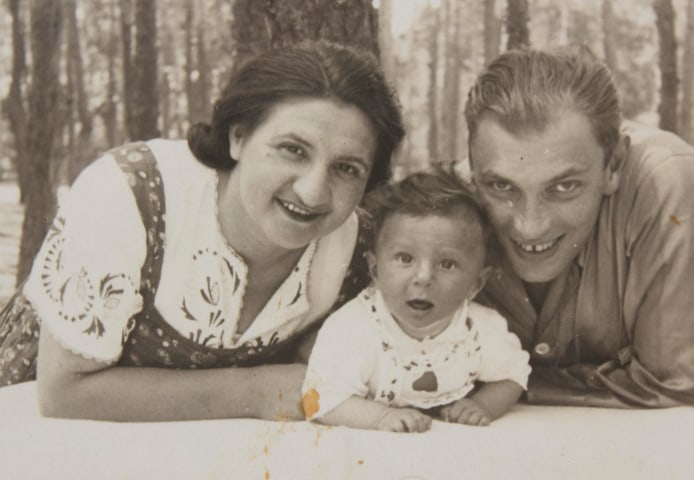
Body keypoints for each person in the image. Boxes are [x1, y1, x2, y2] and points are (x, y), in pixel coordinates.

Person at [6, 40, 404, 422]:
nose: (312, 190)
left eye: (347, 168)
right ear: (238, 137)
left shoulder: (361, 253)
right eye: (293, 150)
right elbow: (61, 393)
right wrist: (255, 391)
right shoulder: (132, 194)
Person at [464, 45, 694, 435]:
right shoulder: (451, 205)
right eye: (501, 186)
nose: (529, 226)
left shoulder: (667, 183)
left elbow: (687, 394)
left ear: (614, 164)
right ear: (472, 169)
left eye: (563, 186)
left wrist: (511, 386)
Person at [302, 171, 531, 432]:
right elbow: (320, 400)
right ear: (375, 270)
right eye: (405, 258)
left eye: (447, 264)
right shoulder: (354, 329)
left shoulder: (480, 328)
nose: (424, 278)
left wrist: (483, 405)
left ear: (475, 284)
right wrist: (380, 417)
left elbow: (513, 376)